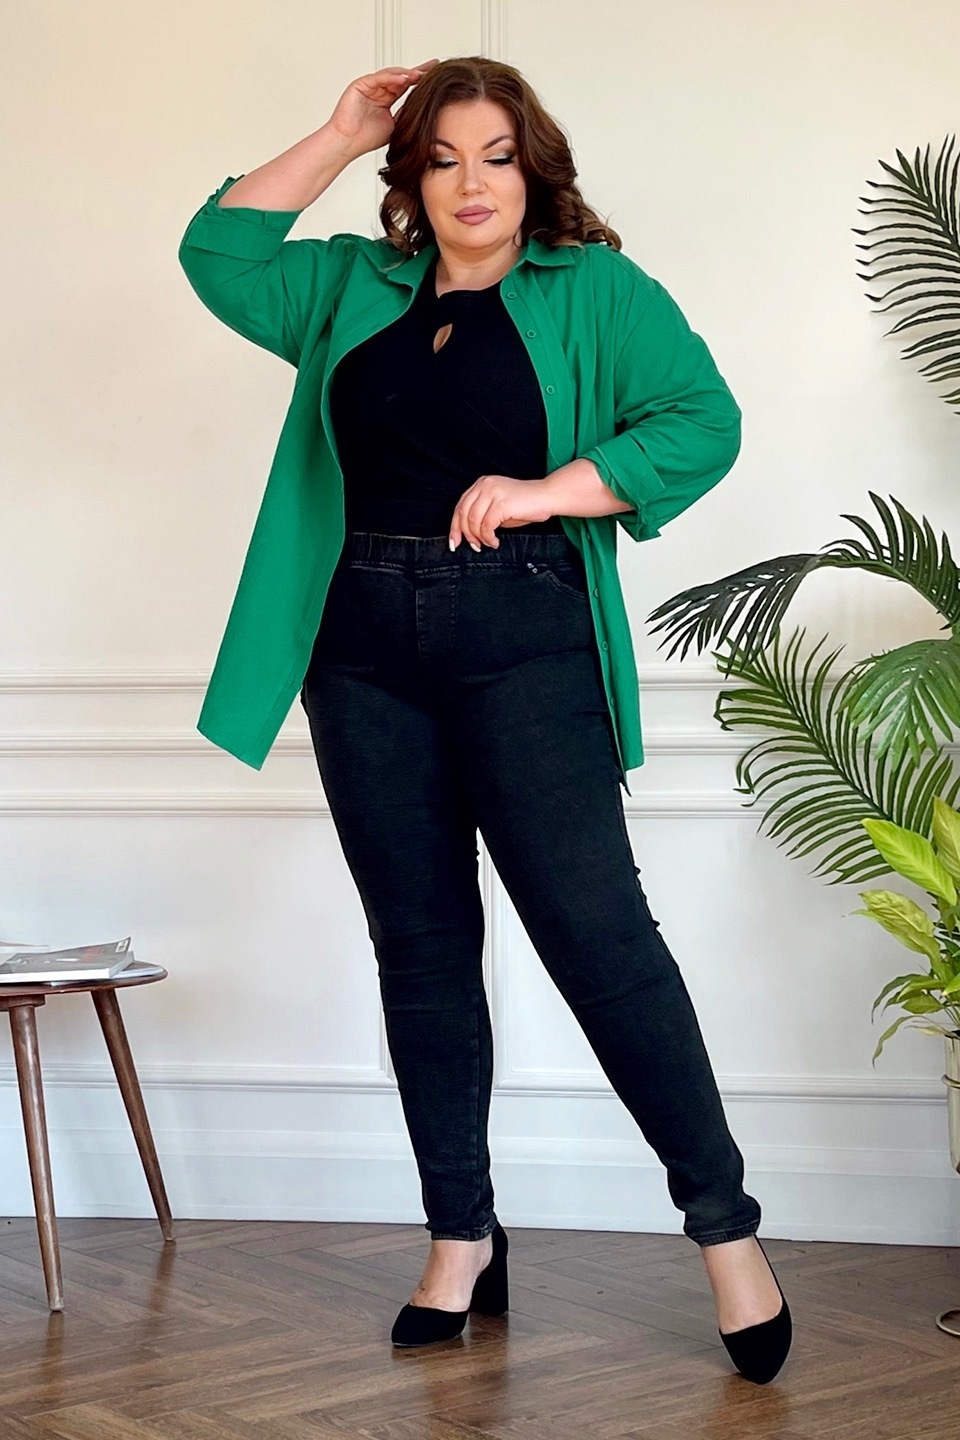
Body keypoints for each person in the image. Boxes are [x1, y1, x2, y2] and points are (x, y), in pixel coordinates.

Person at [178, 55, 791, 1383]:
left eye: (497, 156)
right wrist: (343, 131)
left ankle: (726, 1228)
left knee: (601, 941)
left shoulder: (596, 291)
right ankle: (459, 1232)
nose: (471, 183)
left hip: (525, 637)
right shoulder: (351, 285)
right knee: (421, 949)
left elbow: (704, 421)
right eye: (443, 156)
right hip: (361, 647)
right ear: (413, 176)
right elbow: (216, 252)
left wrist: (554, 487)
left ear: (534, 169)